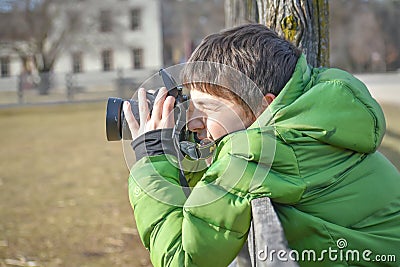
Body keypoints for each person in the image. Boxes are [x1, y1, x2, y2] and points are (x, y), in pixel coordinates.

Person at [122, 24, 400, 266]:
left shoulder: (254, 152)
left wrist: (153, 157)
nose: (194, 122)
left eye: (207, 108)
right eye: (192, 108)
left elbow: (182, 259)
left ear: (262, 106)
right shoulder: (312, 121)